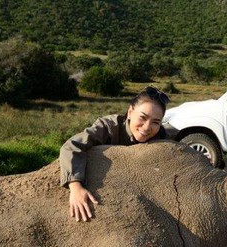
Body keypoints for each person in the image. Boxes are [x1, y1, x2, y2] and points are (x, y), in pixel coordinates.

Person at [59, 86, 170, 222]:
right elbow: (72, 146)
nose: (147, 127)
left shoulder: (162, 138)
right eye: (143, 117)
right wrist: (75, 187)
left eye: (155, 122)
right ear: (130, 112)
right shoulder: (108, 127)